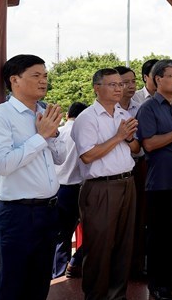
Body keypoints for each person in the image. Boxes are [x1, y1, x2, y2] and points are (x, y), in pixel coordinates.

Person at [0, 54, 65, 300]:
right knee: (12, 283)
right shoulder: (2, 115)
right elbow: (2, 164)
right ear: (14, 80)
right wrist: (40, 137)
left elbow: (60, 158)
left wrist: (53, 134)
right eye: (36, 75)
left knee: (39, 281)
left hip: (48, 210)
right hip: (18, 214)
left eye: (45, 75)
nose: (43, 81)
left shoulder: (45, 111)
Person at [71, 68, 140, 300]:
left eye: (120, 84)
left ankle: (117, 296)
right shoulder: (87, 118)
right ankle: (96, 296)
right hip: (101, 187)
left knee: (124, 246)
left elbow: (137, 149)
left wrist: (129, 139)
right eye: (112, 84)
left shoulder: (123, 114)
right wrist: (119, 137)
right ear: (96, 88)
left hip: (127, 183)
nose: (119, 88)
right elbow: (88, 156)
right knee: (99, 248)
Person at [136, 60, 172, 300]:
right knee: (158, 235)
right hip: (160, 181)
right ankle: (157, 284)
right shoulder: (148, 109)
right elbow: (149, 143)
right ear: (158, 80)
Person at [115, 65, 145, 279]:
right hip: (108, 177)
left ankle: (133, 269)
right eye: (125, 82)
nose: (131, 86)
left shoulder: (140, 107)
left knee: (135, 222)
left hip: (136, 168)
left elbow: (138, 145)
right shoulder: (104, 111)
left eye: (133, 81)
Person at [52, 101, 88, 280]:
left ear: (68, 115)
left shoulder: (57, 131)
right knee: (93, 230)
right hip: (79, 188)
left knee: (61, 235)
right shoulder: (82, 133)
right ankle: (75, 261)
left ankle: (58, 273)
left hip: (57, 189)